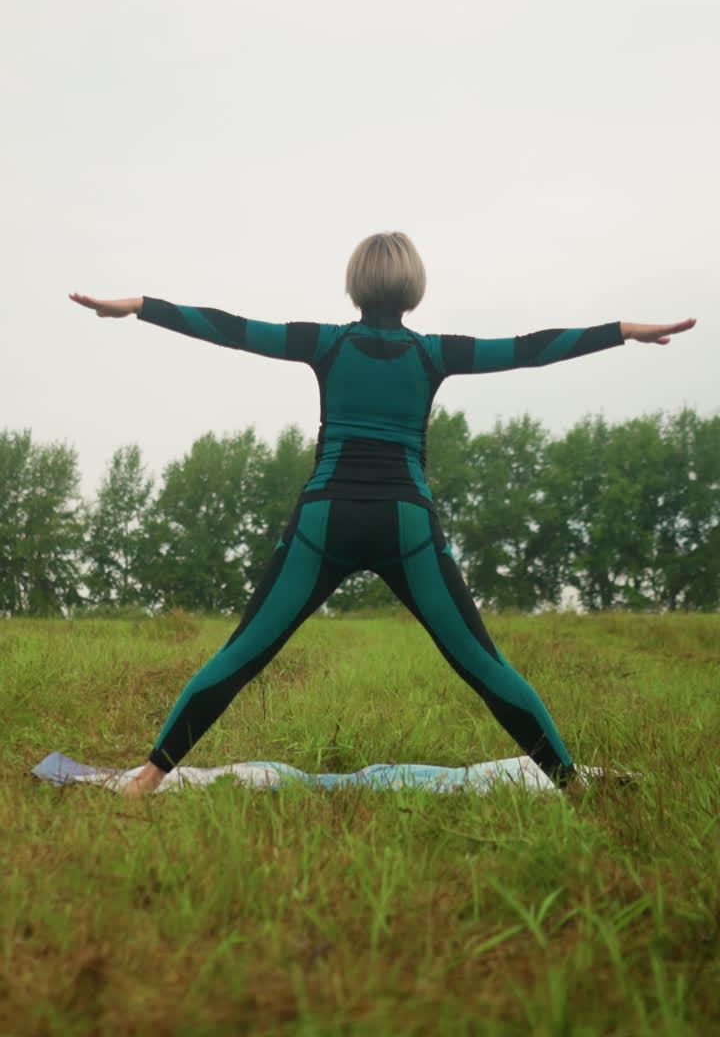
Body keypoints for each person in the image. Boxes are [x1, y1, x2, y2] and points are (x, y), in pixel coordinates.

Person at [69, 232, 696, 797]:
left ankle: (149, 778)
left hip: (325, 520)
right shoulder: (432, 353)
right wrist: (622, 330)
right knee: (482, 663)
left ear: (354, 284)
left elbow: (231, 328)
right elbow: (530, 349)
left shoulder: (327, 343)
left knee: (244, 652)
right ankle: (569, 786)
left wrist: (140, 308)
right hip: (407, 524)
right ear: (413, 290)